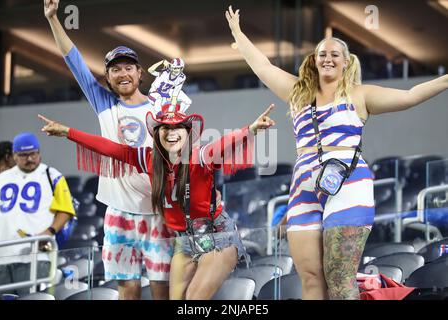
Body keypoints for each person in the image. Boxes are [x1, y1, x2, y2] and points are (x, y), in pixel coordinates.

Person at [226, 5, 448, 299]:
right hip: (304, 185)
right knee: (309, 276)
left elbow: (409, 96)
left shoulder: (359, 94)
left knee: (339, 278)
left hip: (348, 182)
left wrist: (445, 80)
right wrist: (239, 34)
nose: (327, 58)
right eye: (322, 54)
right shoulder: (298, 92)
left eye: (334, 54)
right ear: (314, 61)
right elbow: (263, 67)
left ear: (346, 62)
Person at [38, 104, 275, 299]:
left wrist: (251, 129)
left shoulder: (200, 155)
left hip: (218, 237)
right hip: (184, 242)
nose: (171, 133)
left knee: (193, 300)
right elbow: (110, 149)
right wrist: (68, 132)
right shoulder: (149, 160)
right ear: (158, 134)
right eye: (165, 128)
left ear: (188, 132)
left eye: (177, 128)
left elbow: (225, 143)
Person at [44, 0, 174, 299]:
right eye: (115, 69)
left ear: (140, 73)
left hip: (158, 212)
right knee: (126, 288)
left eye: (129, 67)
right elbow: (73, 59)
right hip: (118, 214)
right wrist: (53, 19)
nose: (122, 73)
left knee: (161, 287)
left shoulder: (162, 106)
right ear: (108, 78)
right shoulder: (104, 103)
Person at [0, 132, 76, 296]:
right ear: (14, 155)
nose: (30, 159)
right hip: (2, 255)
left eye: (33, 153)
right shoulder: (2, 178)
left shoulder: (51, 175)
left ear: (39, 153)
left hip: (35, 255)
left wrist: (49, 232)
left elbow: (66, 209)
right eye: (24, 155)